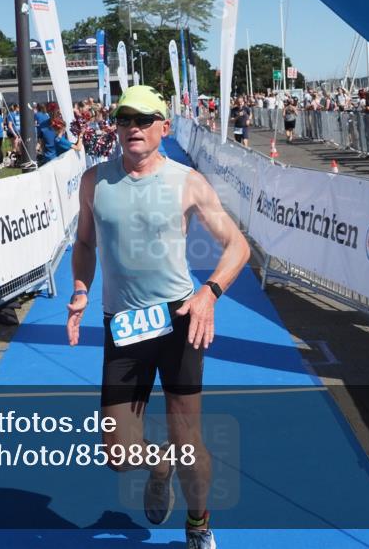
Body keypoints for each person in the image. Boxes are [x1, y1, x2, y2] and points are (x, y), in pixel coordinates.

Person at [66, 85, 250, 549]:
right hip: (123, 324)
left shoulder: (187, 182)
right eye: (125, 118)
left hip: (179, 317)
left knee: (187, 438)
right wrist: (81, 289)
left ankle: (198, 524)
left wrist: (209, 292)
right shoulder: (94, 182)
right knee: (118, 454)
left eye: (144, 119)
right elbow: (84, 243)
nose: (134, 127)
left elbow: (238, 245)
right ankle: (158, 464)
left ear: (164, 127)